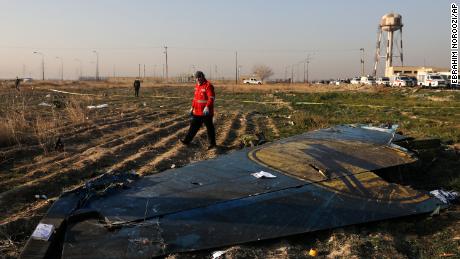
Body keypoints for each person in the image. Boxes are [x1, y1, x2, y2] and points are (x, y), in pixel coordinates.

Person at [181, 71, 216, 149]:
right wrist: (192, 107)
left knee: (209, 128)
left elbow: (211, 98)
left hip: (206, 113)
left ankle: (212, 144)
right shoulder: (197, 86)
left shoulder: (208, 86)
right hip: (197, 112)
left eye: (199, 77)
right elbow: (195, 98)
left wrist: (207, 107)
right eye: (196, 78)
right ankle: (187, 141)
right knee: (193, 127)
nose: (198, 79)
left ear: (203, 77)